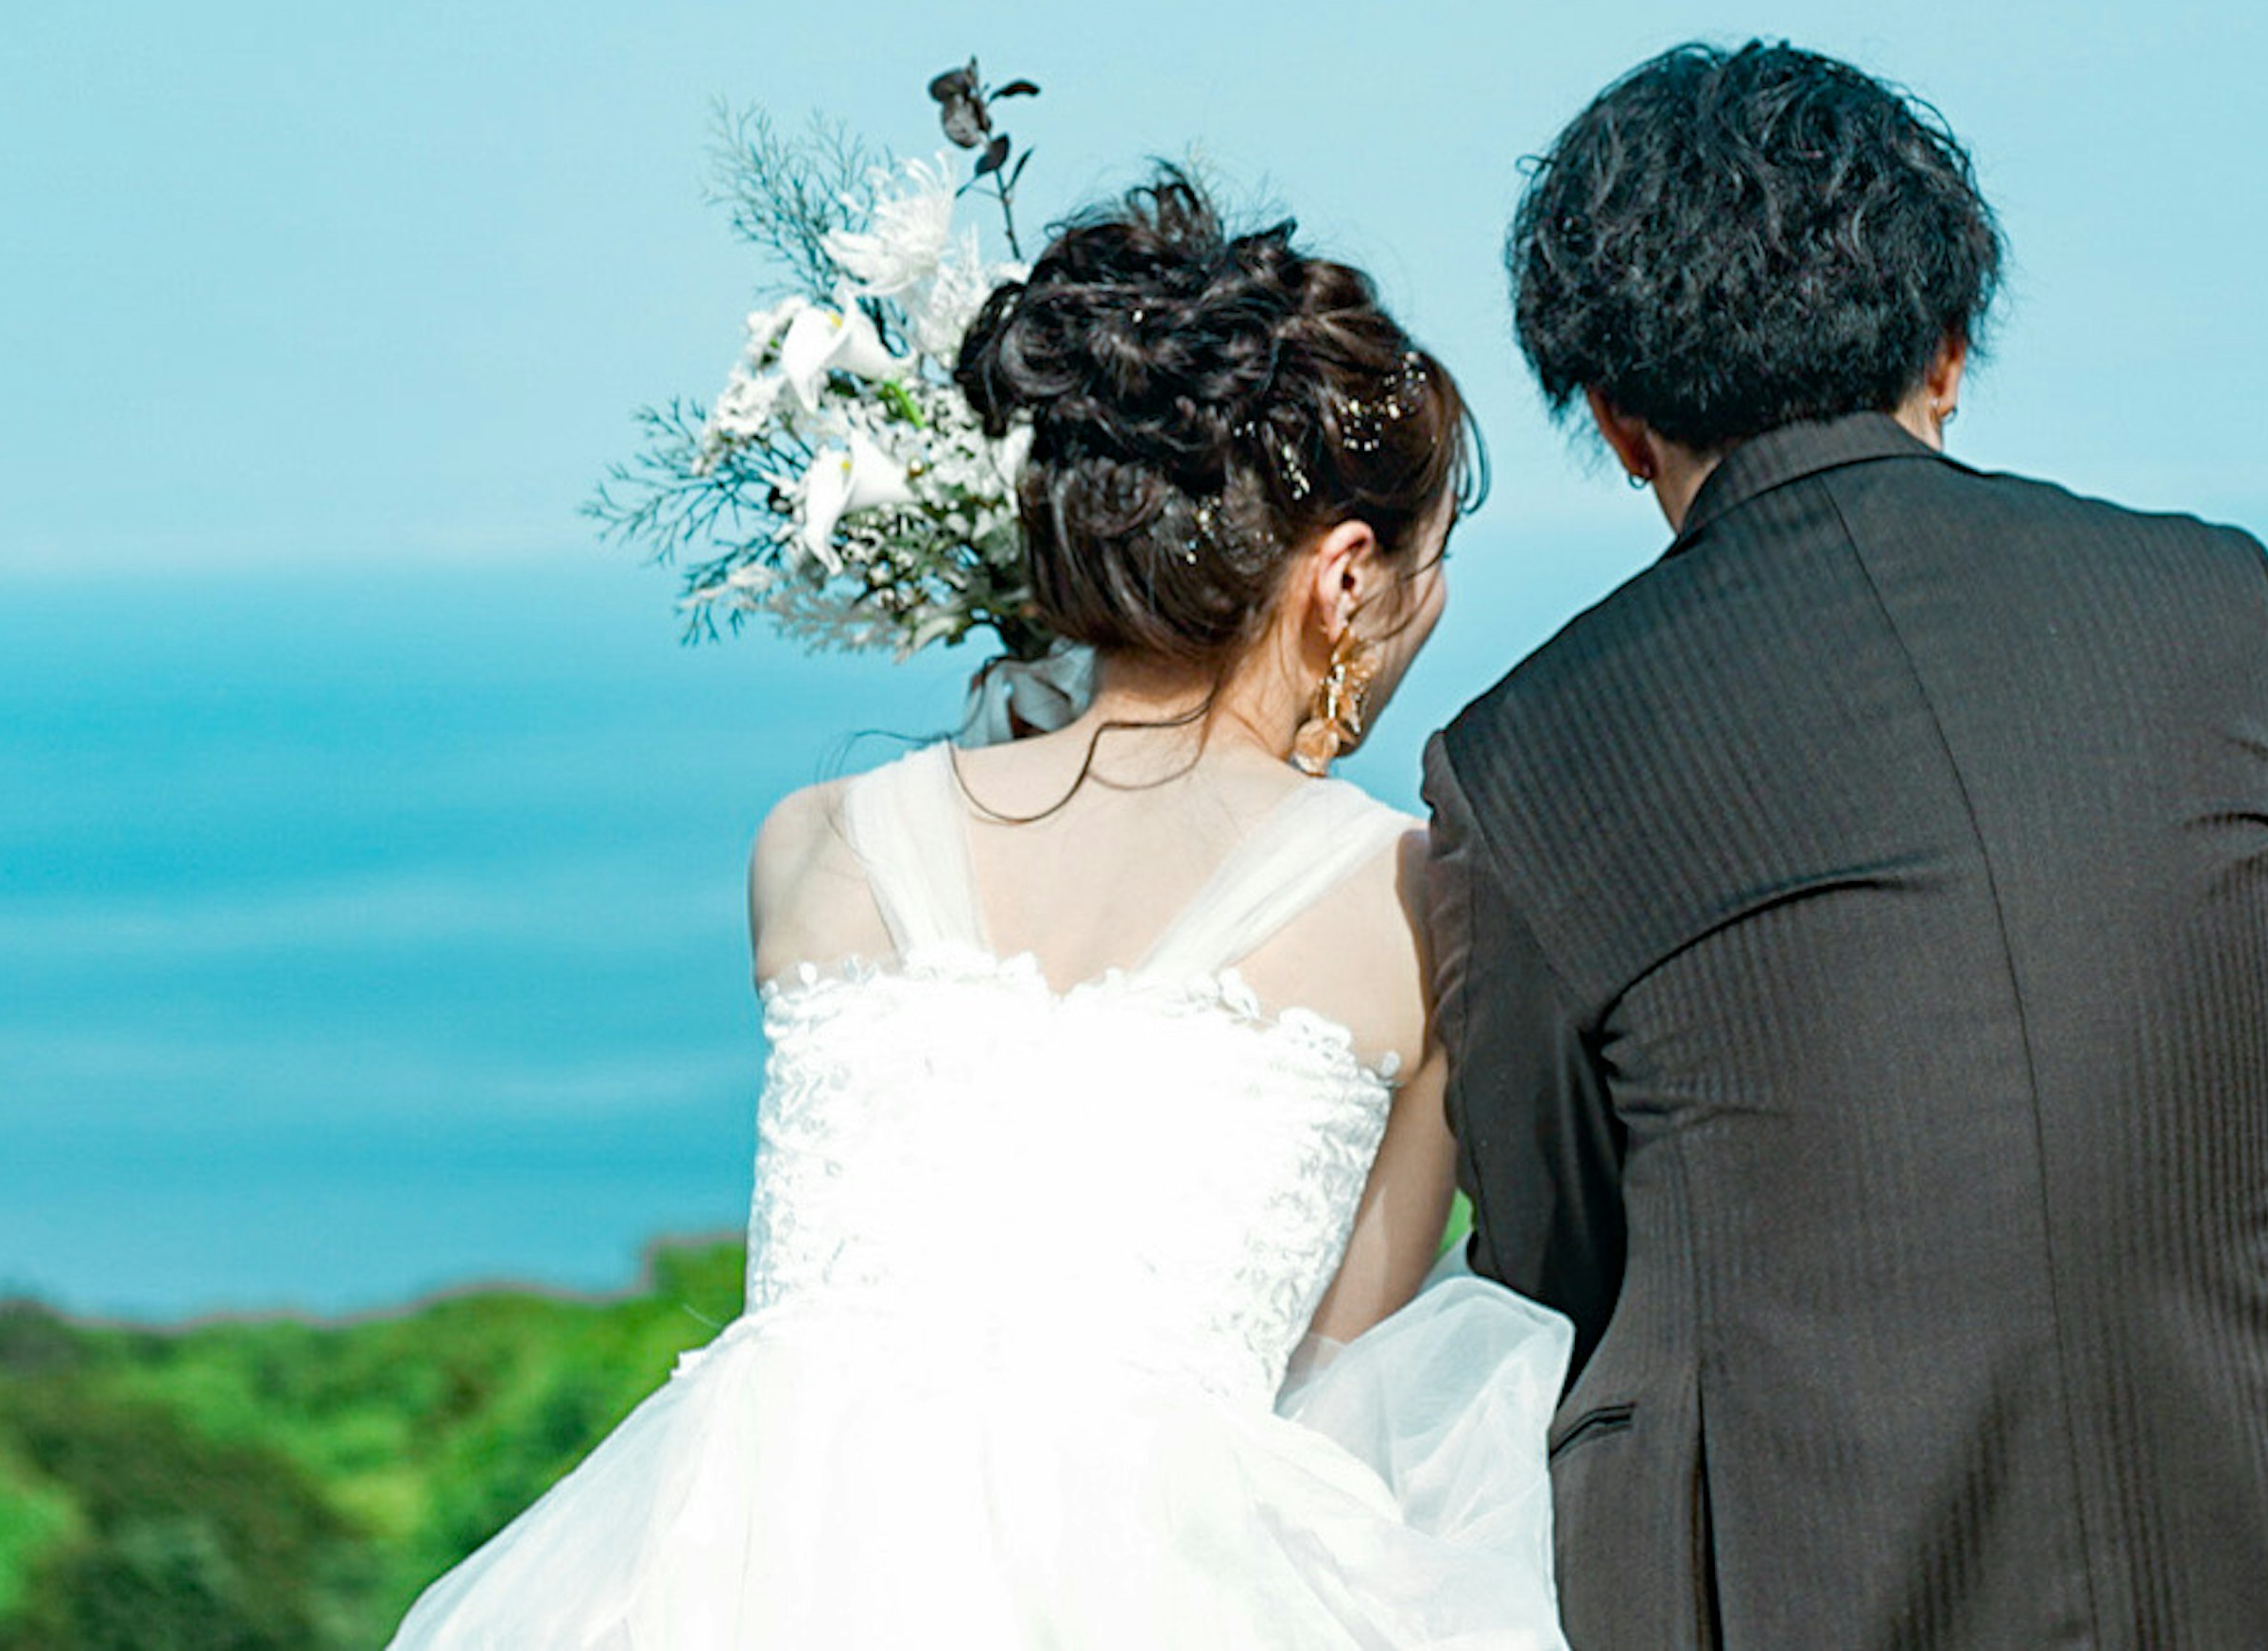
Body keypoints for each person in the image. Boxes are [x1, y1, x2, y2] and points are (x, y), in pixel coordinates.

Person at [1425, 43, 2268, 1650]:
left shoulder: (1524, 752)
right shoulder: (2199, 598)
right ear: (1951, 350)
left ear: (1619, 421)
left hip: (1792, 1577)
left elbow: (1553, 1264)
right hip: (2243, 1512)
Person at [390, 176, 1570, 1649]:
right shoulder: (1411, 906)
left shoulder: (816, 848)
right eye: (1426, 561)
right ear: (1343, 576)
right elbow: (1345, 1391)